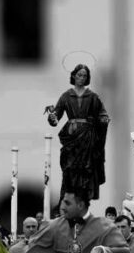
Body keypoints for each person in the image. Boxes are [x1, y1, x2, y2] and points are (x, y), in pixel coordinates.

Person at [46, 64, 109, 200]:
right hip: (71, 135)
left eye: (84, 76)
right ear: (74, 76)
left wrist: (103, 120)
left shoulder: (92, 97)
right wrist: (53, 118)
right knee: (70, 167)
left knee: (86, 168)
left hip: (87, 136)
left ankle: (84, 195)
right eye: (79, 75)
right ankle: (69, 195)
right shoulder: (66, 96)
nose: (81, 78)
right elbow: (56, 115)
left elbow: (102, 113)